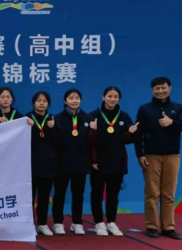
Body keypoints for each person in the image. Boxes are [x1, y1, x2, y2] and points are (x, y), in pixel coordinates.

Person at [135, 77, 182, 240]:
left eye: (163, 87)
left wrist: (172, 122)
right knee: (152, 192)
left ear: (170, 88)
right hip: (151, 155)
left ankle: (168, 227)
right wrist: (140, 154)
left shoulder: (177, 108)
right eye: (157, 88)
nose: (160, 91)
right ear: (152, 90)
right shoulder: (145, 109)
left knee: (169, 193)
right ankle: (152, 226)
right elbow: (138, 133)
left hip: (172, 155)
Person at [89, 86, 137, 237]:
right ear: (103, 97)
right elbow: (89, 142)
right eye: (109, 96)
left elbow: (127, 140)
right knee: (97, 193)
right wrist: (93, 159)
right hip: (98, 162)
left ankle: (111, 222)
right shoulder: (94, 115)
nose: (112, 99)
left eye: (115, 97)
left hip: (117, 161)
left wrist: (132, 133)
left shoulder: (123, 116)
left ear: (119, 99)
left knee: (113, 195)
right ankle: (98, 222)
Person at [52, 89, 92, 235]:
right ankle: (58, 222)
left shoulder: (88, 118)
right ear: (65, 101)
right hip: (62, 163)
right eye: (71, 98)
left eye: (77, 98)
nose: (74, 101)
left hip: (81, 163)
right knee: (60, 194)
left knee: (78, 195)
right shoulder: (57, 118)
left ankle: (77, 223)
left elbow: (92, 142)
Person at [25, 92, 57, 236]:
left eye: (44, 101)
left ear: (48, 103)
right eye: (39, 100)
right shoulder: (26, 119)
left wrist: (54, 128)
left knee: (44, 196)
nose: (42, 103)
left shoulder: (53, 119)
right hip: (30, 165)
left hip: (48, 165)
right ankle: (29, 224)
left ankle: (42, 224)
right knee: (29, 197)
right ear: (34, 103)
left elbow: (60, 141)